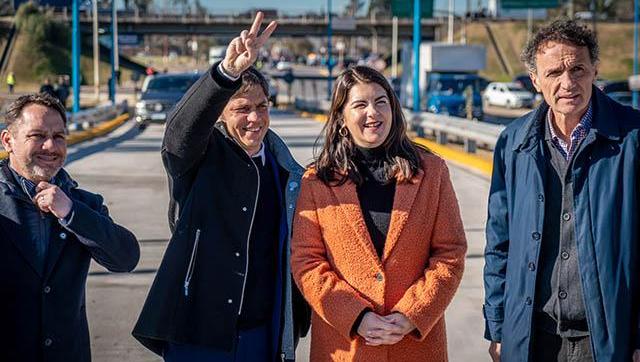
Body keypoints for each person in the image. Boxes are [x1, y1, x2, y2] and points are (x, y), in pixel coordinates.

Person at [132, 12, 310, 362]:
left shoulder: (286, 171)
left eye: (262, 107)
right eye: (242, 108)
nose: (254, 118)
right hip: (198, 332)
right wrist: (225, 73)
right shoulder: (199, 157)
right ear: (221, 114)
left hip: (263, 332)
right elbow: (179, 132)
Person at [483, 19, 640, 362]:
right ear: (536, 80)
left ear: (595, 71)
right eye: (554, 73)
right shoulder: (513, 143)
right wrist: (497, 327)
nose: (567, 83)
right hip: (532, 336)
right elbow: (499, 244)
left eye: (578, 69)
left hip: (607, 339)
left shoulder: (633, 139)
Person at [290, 66, 467, 361]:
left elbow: (450, 253)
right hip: (345, 348)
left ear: (393, 110)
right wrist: (356, 317)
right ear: (342, 118)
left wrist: (412, 313)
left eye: (381, 102)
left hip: (415, 345)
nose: (373, 112)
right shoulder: (317, 181)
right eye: (360, 104)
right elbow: (306, 262)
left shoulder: (432, 172)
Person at [0, 93, 140, 361]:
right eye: (37, 136)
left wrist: (72, 213)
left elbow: (126, 257)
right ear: (8, 141)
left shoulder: (82, 204)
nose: (50, 146)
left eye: (59, 137)